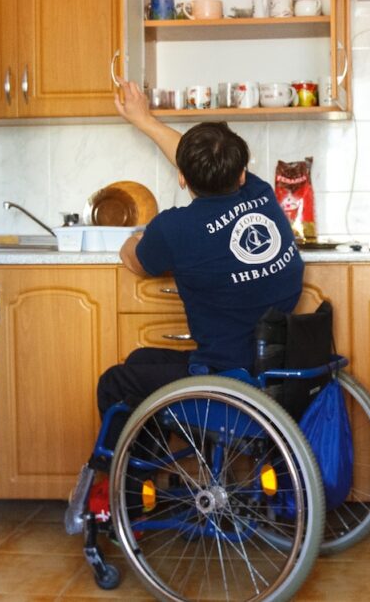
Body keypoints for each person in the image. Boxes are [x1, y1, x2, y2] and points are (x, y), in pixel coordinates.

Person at [65, 81, 305, 533]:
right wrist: (144, 120)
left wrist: (142, 237)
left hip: (226, 380)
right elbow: (205, 162)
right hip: (273, 368)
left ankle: (129, 504)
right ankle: (164, 480)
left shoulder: (177, 228)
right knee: (142, 363)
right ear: (240, 172)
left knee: (117, 382)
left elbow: (134, 261)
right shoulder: (260, 195)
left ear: (181, 178)